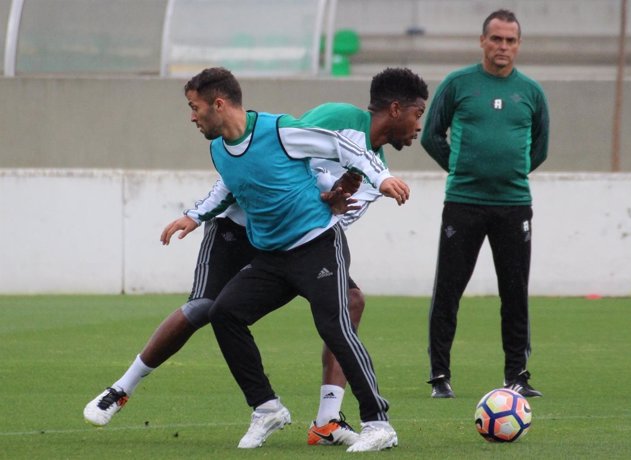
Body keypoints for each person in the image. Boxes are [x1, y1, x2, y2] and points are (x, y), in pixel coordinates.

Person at [82, 69, 427, 450]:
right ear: (396, 109)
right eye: (419, 114)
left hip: (300, 239)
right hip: (244, 229)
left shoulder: (371, 168)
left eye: (193, 108)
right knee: (211, 309)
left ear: (216, 104)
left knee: (343, 309)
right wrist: (194, 216)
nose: (419, 126)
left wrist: (353, 189)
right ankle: (125, 389)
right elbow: (281, 156)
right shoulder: (324, 121)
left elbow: (332, 202)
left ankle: (341, 421)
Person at [421, 9, 549, 399]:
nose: (502, 47)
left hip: (514, 206)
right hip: (463, 203)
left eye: (510, 40)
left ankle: (517, 376)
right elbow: (430, 135)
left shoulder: (530, 93)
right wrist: (461, 169)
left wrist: (508, 175)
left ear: (518, 45)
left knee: (514, 292)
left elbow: (539, 150)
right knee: (449, 289)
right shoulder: (458, 84)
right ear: (482, 41)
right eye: (496, 39)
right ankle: (440, 376)